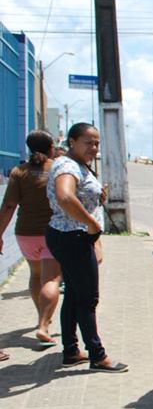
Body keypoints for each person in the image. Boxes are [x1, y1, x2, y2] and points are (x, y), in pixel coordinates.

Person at [45, 123, 127, 372]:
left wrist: (96, 198)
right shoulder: (67, 166)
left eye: (96, 143)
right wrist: (91, 223)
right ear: (71, 141)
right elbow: (65, 196)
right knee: (88, 299)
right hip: (74, 238)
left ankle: (71, 349)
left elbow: (76, 196)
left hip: (68, 237)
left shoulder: (77, 165)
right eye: (88, 142)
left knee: (73, 294)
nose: (93, 148)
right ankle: (97, 355)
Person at [0, 130, 62, 347]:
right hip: (52, 233)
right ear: (51, 148)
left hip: (25, 234)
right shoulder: (57, 169)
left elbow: (8, 206)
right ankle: (44, 325)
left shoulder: (19, 171)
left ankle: (40, 317)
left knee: (36, 275)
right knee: (52, 280)